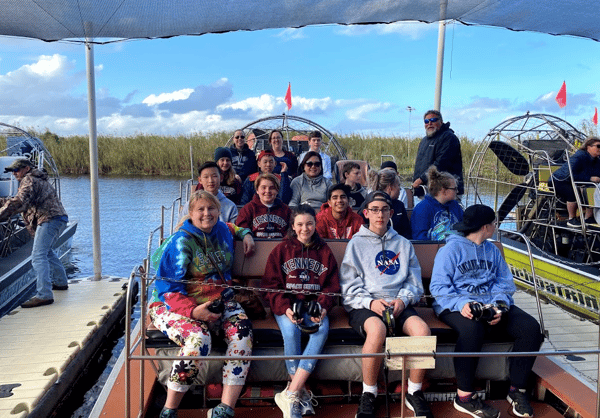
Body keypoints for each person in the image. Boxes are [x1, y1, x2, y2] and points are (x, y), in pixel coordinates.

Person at [430, 204, 543, 418]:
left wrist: (499, 305)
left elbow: (505, 283)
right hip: (454, 304)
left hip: (490, 303)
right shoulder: (450, 250)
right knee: (473, 330)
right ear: (486, 226)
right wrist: (462, 304)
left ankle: (517, 390)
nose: (495, 226)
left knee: (530, 328)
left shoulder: (492, 250)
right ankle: (464, 397)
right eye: (494, 223)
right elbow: (438, 288)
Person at [150, 190, 256, 418]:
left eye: (211, 208)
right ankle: (169, 408)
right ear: (190, 213)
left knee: (243, 333)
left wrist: (246, 234)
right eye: (201, 209)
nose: (207, 214)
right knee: (199, 339)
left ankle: (226, 408)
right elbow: (167, 289)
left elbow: (234, 228)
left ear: (218, 210)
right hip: (175, 304)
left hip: (220, 299)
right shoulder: (180, 243)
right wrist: (194, 311)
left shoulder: (222, 229)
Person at [340, 191, 433, 418]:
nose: (379, 214)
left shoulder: (403, 243)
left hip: (398, 302)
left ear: (391, 213)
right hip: (366, 305)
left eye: (384, 210)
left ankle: (413, 391)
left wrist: (402, 299)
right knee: (378, 330)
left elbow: (414, 281)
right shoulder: (356, 244)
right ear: (366, 213)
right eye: (374, 210)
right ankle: (369, 393)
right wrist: (370, 302)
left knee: (422, 331)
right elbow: (349, 286)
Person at [262, 204, 340, 418]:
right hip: (288, 305)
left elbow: (332, 287)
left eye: (309, 223)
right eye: (300, 224)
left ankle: (291, 392)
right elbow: (270, 286)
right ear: (293, 226)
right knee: (291, 331)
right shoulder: (281, 250)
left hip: (314, 305)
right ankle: (300, 392)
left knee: (321, 330)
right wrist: (285, 309)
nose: (305, 228)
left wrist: (323, 307)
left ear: (315, 224)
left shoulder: (324, 250)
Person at [0, 158, 69, 308]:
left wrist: (1, 213)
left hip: (49, 219)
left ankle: (44, 295)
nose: (14, 174)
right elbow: (21, 202)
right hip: (58, 218)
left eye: (16, 170)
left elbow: (18, 201)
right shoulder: (35, 180)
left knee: (38, 255)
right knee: (46, 252)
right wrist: (2, 203)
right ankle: (61, 282)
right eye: (12, 171)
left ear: (26, 168)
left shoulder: (29, 179)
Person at [550, 136, 600, 227]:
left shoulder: (596, 161)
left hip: (575, 181)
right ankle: (571, 219)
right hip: (559, 180)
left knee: (591, 190)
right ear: (588, 147)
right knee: (572, 192)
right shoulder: (579, 156)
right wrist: (590, 178)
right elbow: (570, 175)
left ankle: (588, 218)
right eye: (598, 146)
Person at [412, 110, 464, 195]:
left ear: (441, 121)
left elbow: (441, 164)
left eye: (433, 120)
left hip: (445, 191)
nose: (429, 123)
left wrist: (421, 179)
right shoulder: (424, 141)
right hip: (425, 190)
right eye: (426, 121)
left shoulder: (449, 138)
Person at [411, 166, 464, 241]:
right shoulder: (422, 209)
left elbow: (465, 227)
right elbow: (420, 239)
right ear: (443, 190)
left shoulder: (455, 206)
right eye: (454, 189)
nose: (457, 191)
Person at [236, 173, 291, 239]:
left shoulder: (286, 210)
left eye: (272, 188)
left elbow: (292, 229)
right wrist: (247, 236)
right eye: (263, 187)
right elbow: (240, 228)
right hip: (256, 247)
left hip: (280, 246)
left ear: (277, 190)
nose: (267, 191)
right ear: (257, 190)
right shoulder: (247, 209)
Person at [364, 169, 411, 239]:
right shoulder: (369, 203)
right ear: (390, 188)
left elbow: (406, 233)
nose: (399, 189)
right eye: (398, 185)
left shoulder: (399, 206)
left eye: (385, 209)